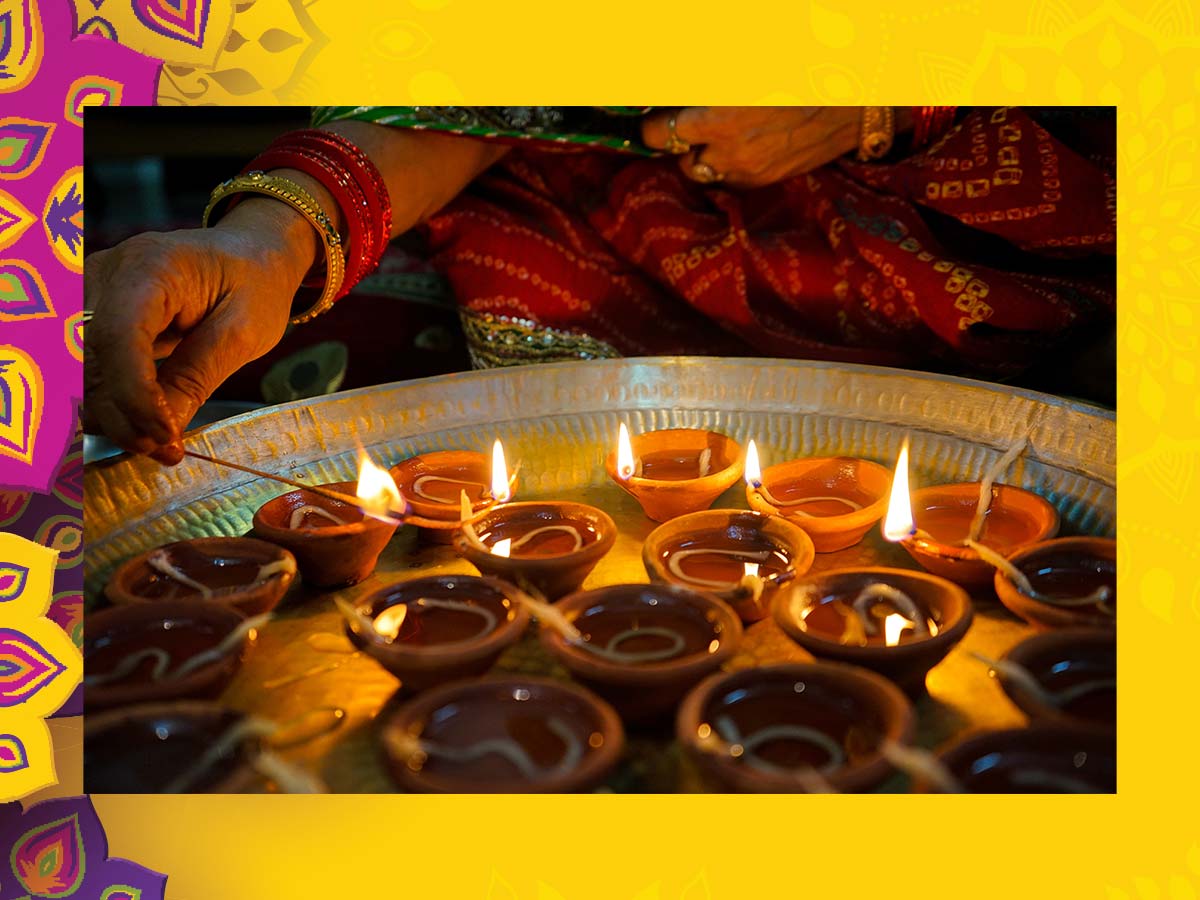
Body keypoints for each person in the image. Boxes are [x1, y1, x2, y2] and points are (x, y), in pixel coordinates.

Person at [84, 107, 1115, 465]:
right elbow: (473, 82)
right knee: (268, 387)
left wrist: (879, 94)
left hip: (1007, 268)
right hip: (587, 232)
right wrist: (275, 238)